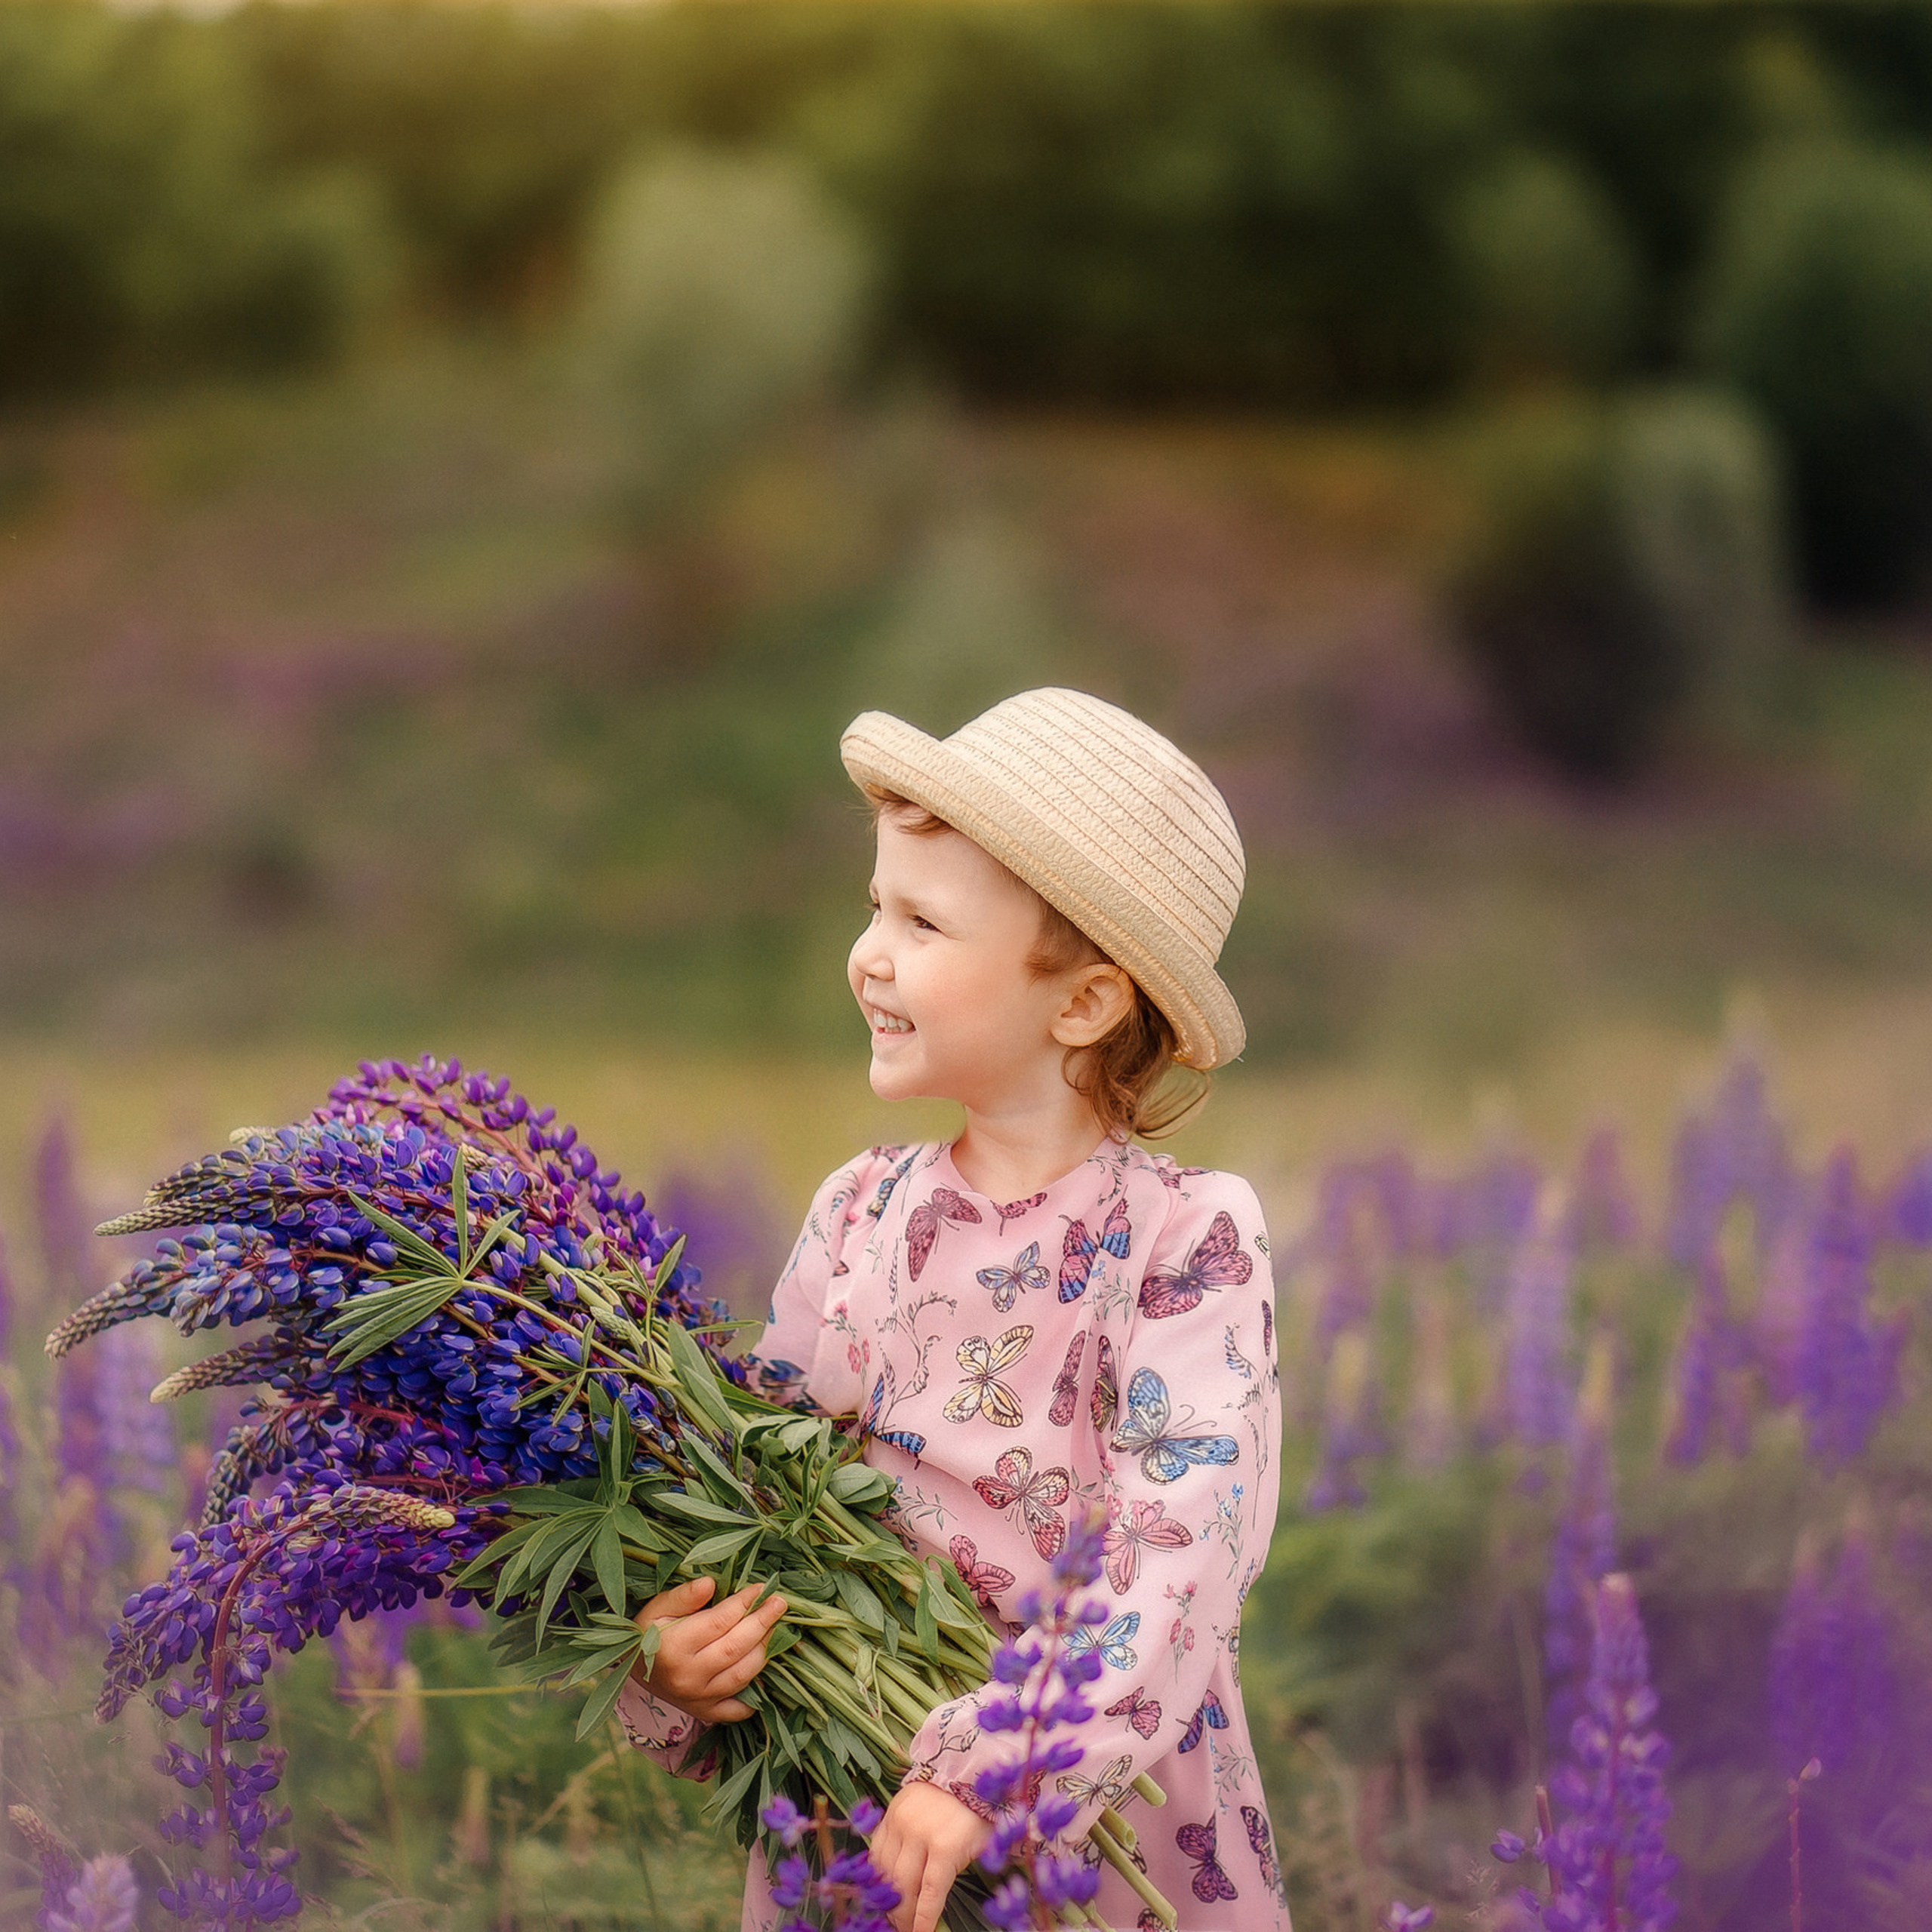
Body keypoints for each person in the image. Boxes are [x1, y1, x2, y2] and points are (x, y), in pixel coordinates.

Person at [616, 688, 1286, 1932]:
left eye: (922, 922)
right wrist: (681, 1657)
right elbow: (760, 1498)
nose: (870, 952)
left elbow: (1182, 1551)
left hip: (1096, 1812)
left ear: (1082, 1003)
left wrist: (999, 1763)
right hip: (859, 1787)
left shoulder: (1185, 1238)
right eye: (875, 906)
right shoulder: (861, 1211)